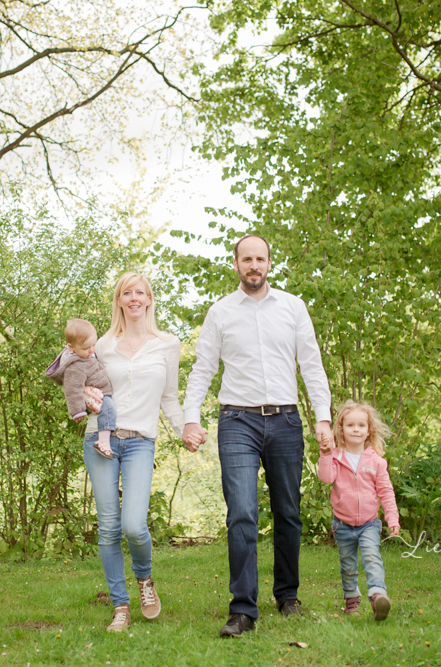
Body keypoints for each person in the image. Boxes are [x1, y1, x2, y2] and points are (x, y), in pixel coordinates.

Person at [182, 234, 333, 637]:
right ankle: (243, 609)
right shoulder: (220, 312)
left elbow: (312, 365)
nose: (254, 265)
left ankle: (288, 596)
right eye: (246, 259)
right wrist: (190, 418)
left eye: (260, 259)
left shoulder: (293, 307)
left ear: (269, 263)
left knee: (288, 511)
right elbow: (202, 369)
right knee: (243, 513)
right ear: (236, 264)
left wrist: (323, 417)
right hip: (237, 422)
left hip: (286, 421)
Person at [83, 272, 185, 632]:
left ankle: (144, 580)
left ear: (150, 299)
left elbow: (169, 396)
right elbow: (78, 379)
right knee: (109, 528)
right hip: (100, 439)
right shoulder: (102, 345)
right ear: (119, 300)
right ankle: (120, 606)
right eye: (127, 292)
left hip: (141, 441)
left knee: (134, 526)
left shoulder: (167, 344)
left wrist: (184, 427)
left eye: (140, 292)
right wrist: (83, 397)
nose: (134, 298)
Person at [318, 400, 400, 620]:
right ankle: (352, 602)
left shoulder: (376, 462)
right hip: (342, 524)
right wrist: (325, 454)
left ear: (368, 431)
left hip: (369, 523)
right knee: (348, 565)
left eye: (361, 425)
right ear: (341, 430)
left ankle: (377, 595)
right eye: (350, 425)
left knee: (372, 557)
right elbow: (326, 478)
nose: (356, 429)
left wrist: (392, 517)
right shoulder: (336, 456)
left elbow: (386, 491)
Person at [46, 318, 117, 459]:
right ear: (71, 347)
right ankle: (103, 443)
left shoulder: (87, 355)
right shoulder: (74, 367)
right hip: (98, 395)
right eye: (86, 348)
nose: (91, 350)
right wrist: (77, 411)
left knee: (109, 409)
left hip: (102, 391)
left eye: (93, 345)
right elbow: (73, 390)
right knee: (108, 409)